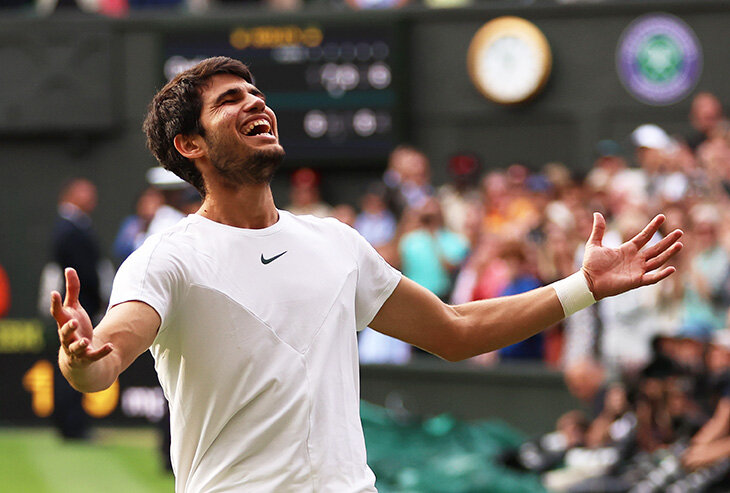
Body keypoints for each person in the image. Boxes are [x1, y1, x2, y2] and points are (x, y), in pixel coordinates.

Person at [51, 57, 683, 492]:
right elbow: (105, 358)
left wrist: (584, 287)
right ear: (190, 145)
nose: (256, 103)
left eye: (255, 94)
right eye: (229, 101)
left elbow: (454, 331)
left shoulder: (336, 244)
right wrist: (82, 356)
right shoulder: (168, 258)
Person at [51, 178, 103, 440]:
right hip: (77, 307)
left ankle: (72, 424)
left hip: (79, 307)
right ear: (72, 195)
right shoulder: (69, 229)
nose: (92, 198)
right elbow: (84, 273)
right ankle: (71, 426)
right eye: (87, 193)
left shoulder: (75, 226)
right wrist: (95, 298)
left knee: (75, 362)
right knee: (71, 362)